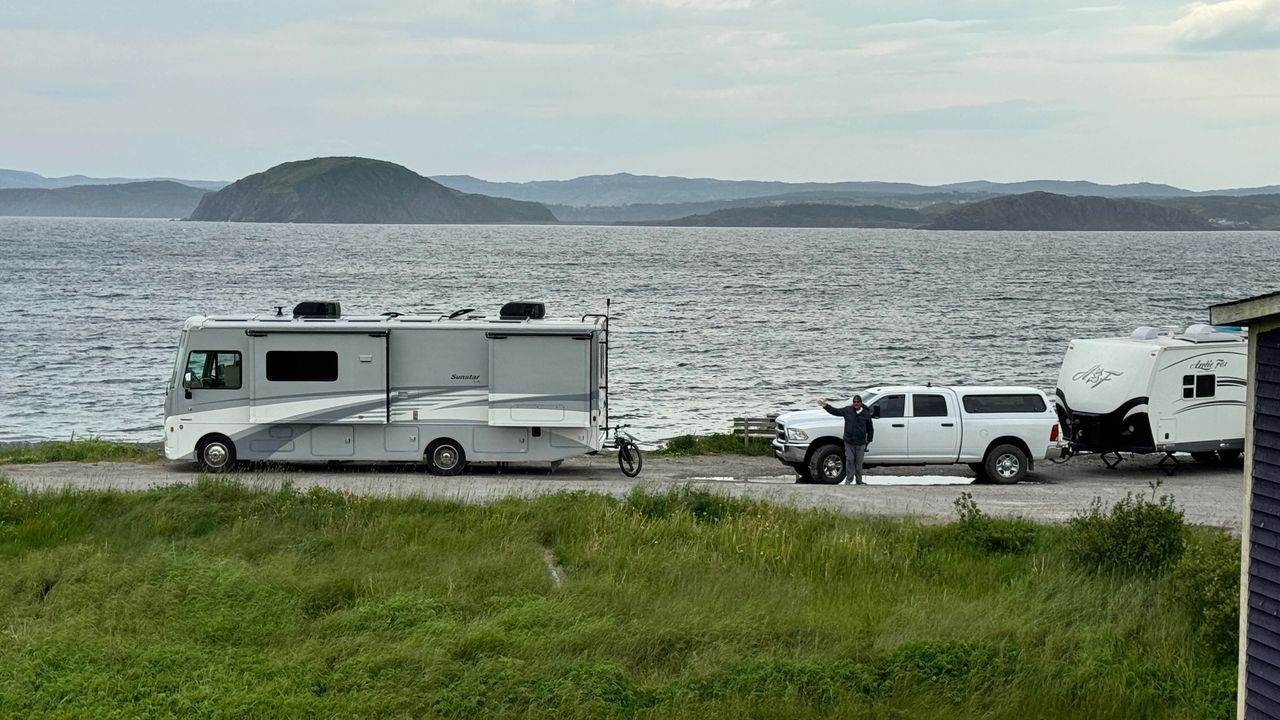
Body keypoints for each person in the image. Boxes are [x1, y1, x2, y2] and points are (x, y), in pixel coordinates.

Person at [817, 394, 874, 485]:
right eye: (854, 402)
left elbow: (870, 428)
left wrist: (869, 440)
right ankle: (849, 479)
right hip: (849, 441)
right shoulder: (847, 410)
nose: (856, 403)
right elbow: (836, 411)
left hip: (860, 442)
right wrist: (826, 406)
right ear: (853, 402)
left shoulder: (866, 413)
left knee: (859, 462)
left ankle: (859, 480)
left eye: (858, 402)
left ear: (861, 403)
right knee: (850, 460)